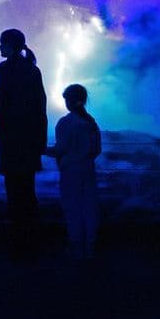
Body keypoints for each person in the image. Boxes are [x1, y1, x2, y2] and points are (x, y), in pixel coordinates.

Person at [0, 28, 47, 256]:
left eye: (2, 43)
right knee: (28, 193)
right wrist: (40, 142)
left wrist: (0, 129)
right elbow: (40, 107)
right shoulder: (33, 70)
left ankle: (18, 245)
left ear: (9, 45)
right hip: (29, 143)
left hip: (11, 143)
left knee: (14, 195)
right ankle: (32, 242)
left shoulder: (4, 69)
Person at [44, 84, 101, 259]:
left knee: (73, 209)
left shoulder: (66, 123)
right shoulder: (91, 123)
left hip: (70, 172)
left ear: (68, 101)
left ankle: (77, 248)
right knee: (89, 208)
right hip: (88, 170)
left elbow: (59, 150)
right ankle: (90, 248)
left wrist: (41, 149)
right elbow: (97, 150)